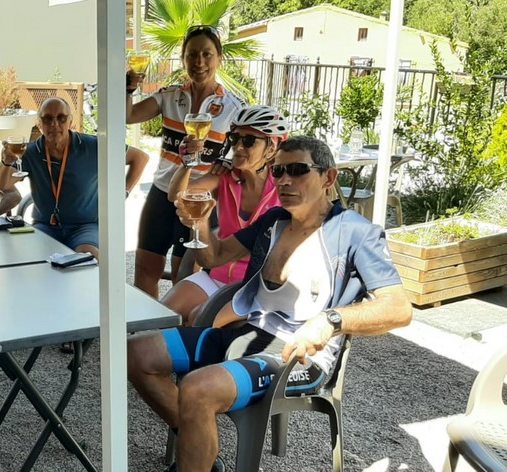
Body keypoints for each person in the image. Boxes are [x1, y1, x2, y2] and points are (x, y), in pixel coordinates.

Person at [126, 136, 413, 472]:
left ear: (329, 177)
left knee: (197, 389)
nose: (284, 180)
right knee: (135, 353)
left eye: (298, 170)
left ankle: (195, 458)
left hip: (297, 356)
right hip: (247, 333)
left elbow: (398, 308)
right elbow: (214, 257)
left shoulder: (356, 233)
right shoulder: (274, 220)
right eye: (278, 171)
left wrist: (330, 321)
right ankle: (201, 453)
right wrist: (199, 222)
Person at [126, 25, 246, 299]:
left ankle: (177, 325)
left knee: (184, 275)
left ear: (219, 58)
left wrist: (227, 163)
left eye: (207, 54)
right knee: (145, 269)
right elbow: (129, 115)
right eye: (192, 55)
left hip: (199, 198)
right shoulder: (171, 95)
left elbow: (245, 153)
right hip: (162, 191)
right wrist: (128, 87)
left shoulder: (233, 107)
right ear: (183, 59)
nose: (199, 62)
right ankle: (149, 323)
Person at [163, 105, 289, 326]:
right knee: (163, 315)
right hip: (217, 275)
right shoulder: (225, 176)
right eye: (234, 138)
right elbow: (177, 195)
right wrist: (187, 163)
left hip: (255, 286)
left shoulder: (285, 188)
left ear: (272, 148)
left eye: (249, 141)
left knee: (198, 319)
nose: (238, 146)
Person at [0, 97, 149, 260]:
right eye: (47, 119)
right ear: (39, 124)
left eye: (61, 118)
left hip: (85, 226)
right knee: (34, 260)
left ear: (70, 121)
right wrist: (6, 162)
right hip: (46, 225)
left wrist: (123, 192)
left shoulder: (92, 146)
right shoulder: (31, 151)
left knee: (87, 260)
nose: (54, 124)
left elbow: (140, 158)